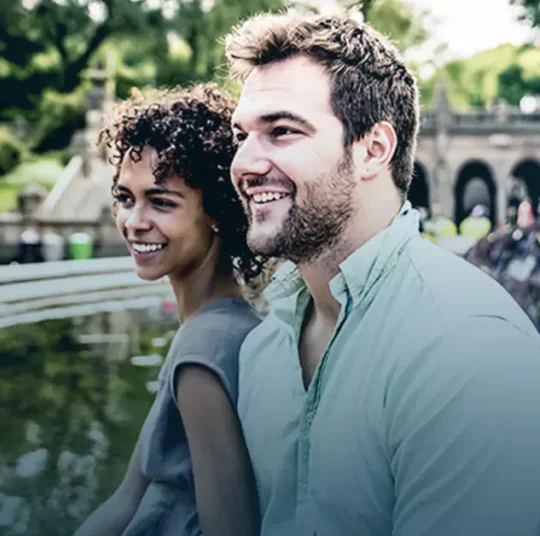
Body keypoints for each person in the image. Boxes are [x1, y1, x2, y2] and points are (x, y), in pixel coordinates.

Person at [224, 11, 540, 536]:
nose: (244, 162)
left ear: (373, 150)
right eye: (243, 135)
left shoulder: (466, 348)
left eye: (281, 131)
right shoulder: (264, 347)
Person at [75, 84, 266, 536]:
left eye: (161, 202)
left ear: (218, 211)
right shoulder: (225, 326)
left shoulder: (203, 348)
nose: (135, 221)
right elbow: (129, 497)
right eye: (125, 198)